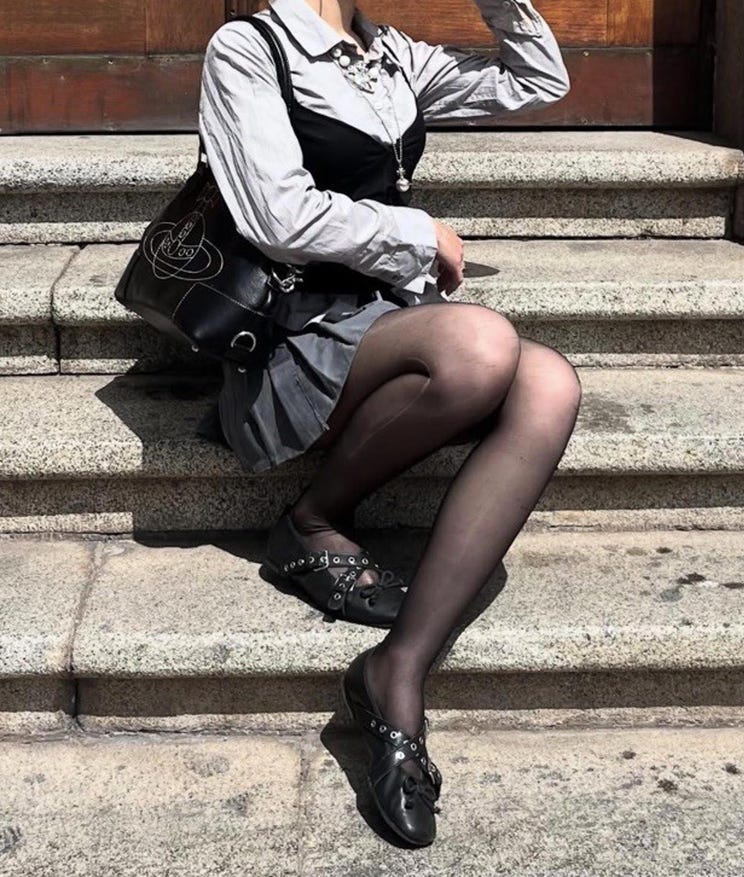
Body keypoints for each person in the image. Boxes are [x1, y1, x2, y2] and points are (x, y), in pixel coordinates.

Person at [197, 0, 579, 846]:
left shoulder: (391, 55)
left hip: (385, 327)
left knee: (550, 383)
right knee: (481, 343)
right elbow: (278, 217)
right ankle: (312, 519)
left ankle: (395, 670)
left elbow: (537, 79)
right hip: (289, 340)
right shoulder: (249, 49)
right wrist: (416, 230)